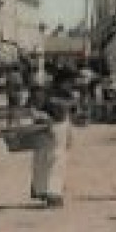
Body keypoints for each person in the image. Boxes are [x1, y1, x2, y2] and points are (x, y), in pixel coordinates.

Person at [28, 77, 77, 208]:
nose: (36, 96)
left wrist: (45, 121)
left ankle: (54, 195)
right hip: (46, 135)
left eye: (38, 93)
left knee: (55, 163)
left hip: (57, 132)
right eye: (34, 93)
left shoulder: (55, 103)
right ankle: (44, 192)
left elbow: (62, 120)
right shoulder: (37, 102)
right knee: (42, 163)